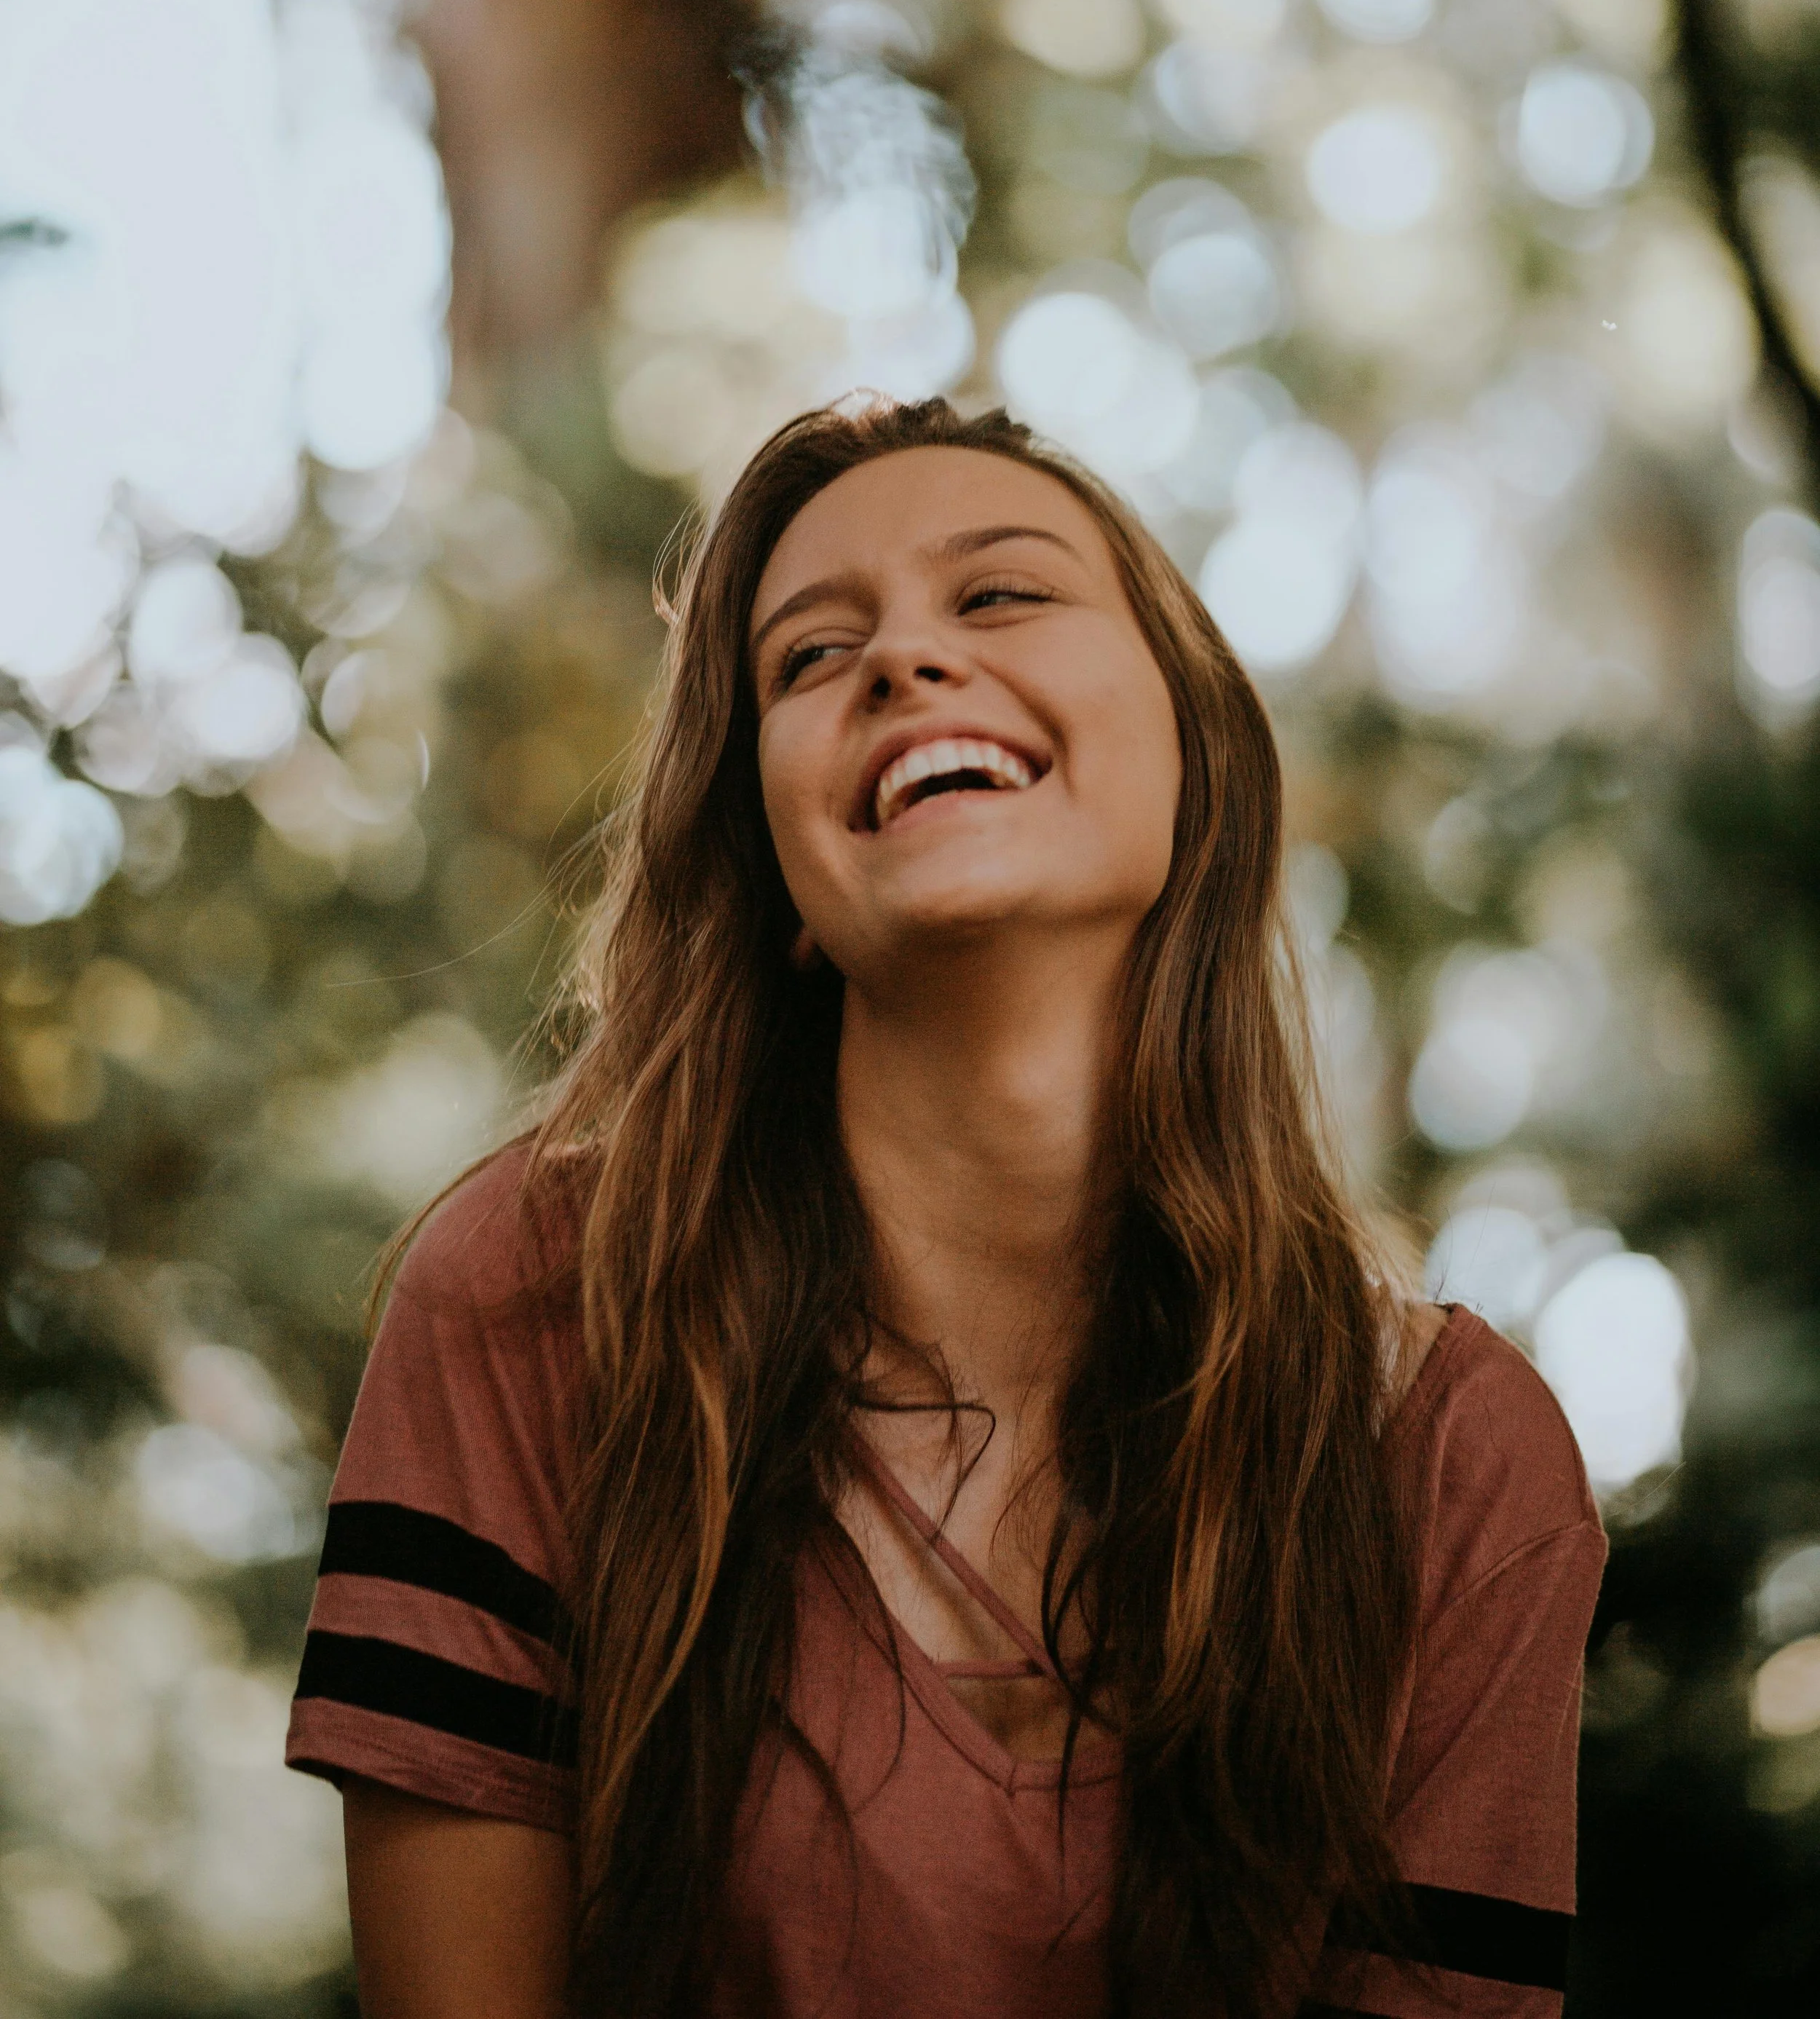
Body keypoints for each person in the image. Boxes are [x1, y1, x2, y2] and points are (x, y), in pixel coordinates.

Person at [286, 395, 1606, 2019]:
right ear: (770, 859)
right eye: (808, 656)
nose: (903, 661)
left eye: (996, 595)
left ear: (1194, 754)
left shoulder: (1456, 1463)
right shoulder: (532, 1302)